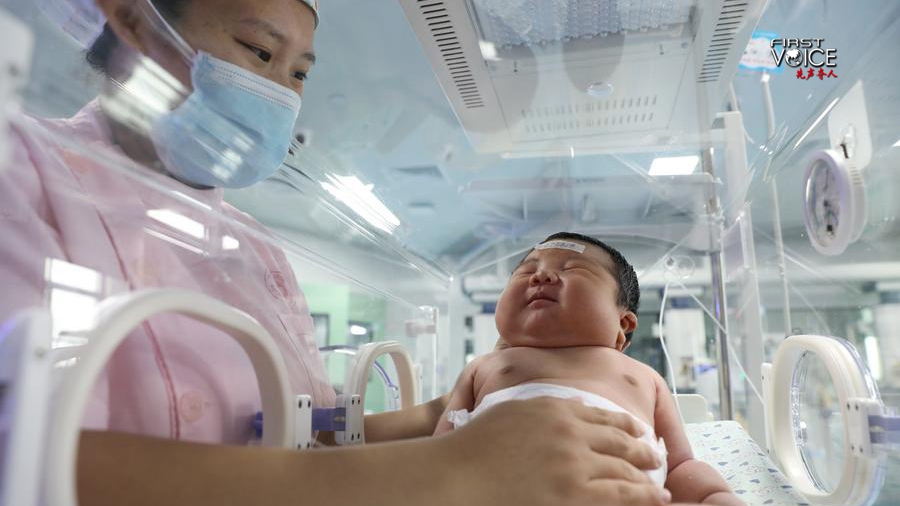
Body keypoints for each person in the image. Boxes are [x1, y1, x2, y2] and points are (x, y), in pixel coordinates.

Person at [0, 1, 675, 505]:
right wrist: (450, 465)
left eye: (298, 73)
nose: (280, 94)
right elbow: (23, 463)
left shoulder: (255, 251)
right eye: (260, 54)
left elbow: (308, 431)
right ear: (135, 21)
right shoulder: (21, 172)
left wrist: (457, 418)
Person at [434, 232, 745, 506]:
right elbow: (437, 453)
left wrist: (712, 495)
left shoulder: (642, 376)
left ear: (622, 324)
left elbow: (678, 465)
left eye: (573, 269)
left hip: (616, 491)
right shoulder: (484, 367)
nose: (540, 277)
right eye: (527, 271)